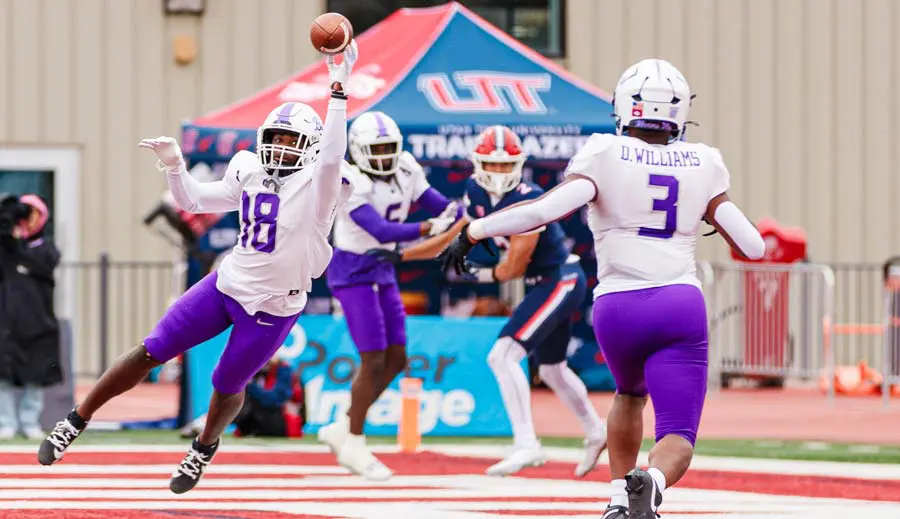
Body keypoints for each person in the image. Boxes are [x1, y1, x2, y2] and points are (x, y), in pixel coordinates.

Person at [440, 60, 765, 519]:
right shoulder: (705, 161)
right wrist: (710, 214)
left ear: (623, 107)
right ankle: (651, 482)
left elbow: (542, 211)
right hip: (678, 303)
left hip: (618, 305)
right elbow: (752, 247)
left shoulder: (603, 152)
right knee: (677, 433)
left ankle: (617, 497)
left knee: (629, 395)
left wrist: (474, 231)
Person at [37, 42, 360, 495]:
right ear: (262, 141)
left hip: (274, 304)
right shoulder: (248, 167)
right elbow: (192, 201)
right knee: (152, 349)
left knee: (228, 382)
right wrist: (174, 166)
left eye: (293, 141)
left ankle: (204, 446)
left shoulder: (321, 184)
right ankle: (76, 419)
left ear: (311, 148)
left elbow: (332, 155)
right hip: (226, 285)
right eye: (276, 139)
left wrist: (339, 89)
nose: (282, 149)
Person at [318, 111, 462, 481]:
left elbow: (439, 203)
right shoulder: (351, 178)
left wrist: (459, 212)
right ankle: (354, 441)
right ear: (358, 150)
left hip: (382, 268)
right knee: (373, 357)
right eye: (375, 150)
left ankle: (345, 426)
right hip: (353, 269)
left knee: (397, 358)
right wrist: (433, 225)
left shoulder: (407, 168)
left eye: (389, 149)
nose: (383, 157)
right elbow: (380, 230)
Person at [456, 125, 607, 477]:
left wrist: (474, 271)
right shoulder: (473, 191)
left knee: (503, 354)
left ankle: (526, 444)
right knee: (553, 370)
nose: (496, 173)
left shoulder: (529, 195)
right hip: (549, 282)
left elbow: (512, 267)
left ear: (519, 165)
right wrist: (442, 248)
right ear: (478, 165)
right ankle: (596, 430)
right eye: (490, 165)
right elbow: (465, 233)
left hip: (561, 279)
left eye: (504, 165)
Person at [0, 194, 61, 440]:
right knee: (3, 375)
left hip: (38, 321)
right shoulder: (6, 248)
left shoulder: (46, 249)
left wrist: (20, 242)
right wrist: (8, 226)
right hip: (7, 323)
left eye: (33, 213)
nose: (28, 218)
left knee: (34, 376)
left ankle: (29, 420)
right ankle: (6, 421)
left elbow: (41, 264)